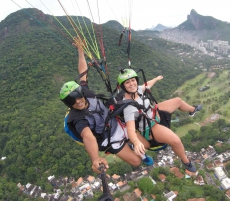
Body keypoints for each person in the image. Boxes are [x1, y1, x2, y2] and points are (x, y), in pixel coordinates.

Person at [59, 40, 153, 174]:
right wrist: (95, 158)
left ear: (81, 93)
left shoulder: (87, 94)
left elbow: (83, 73)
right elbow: (88, 137)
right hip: (108, 138)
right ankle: (128, 145)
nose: (78, 102)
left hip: (115, 123)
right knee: (137, 161)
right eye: (71, 101)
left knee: (146, 145)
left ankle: (131, 142)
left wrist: (81, 52)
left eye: (78, 97)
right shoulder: (78, 118)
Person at [117, 68, 202, 172]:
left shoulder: (137, 90)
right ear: (123, 86)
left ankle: (192, 110)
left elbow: (146, 85)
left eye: (133, 80)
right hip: (150, 126)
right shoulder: (128, 108)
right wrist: (136, 142)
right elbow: (130, 129)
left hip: (153, 112)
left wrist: (156, 79)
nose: (131, 84)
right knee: (176, 141)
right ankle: (186, 161)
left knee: (178, 101)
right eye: (127, 82)